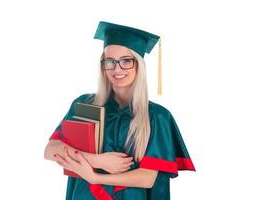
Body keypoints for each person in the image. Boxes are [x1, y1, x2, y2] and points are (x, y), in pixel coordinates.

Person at [44, 21, 195, 200]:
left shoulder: (157, 116)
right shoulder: (86, 105)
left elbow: (148, 178)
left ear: (139, 64)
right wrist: (96, 160)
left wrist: (95, 176)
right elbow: (51, 149)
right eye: (110, 61)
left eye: (126, 61)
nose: (117, 69)